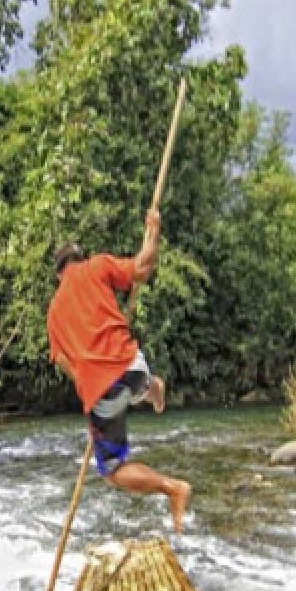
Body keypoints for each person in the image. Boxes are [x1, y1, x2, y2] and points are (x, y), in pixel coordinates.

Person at [46, 209, 192, 534]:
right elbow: (142, 267)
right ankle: (151, 386)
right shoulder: (97, 266)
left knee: (112, 469)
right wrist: (153, 231)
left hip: (103, 391)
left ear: (59, 273)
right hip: (132, 364)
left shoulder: (54, 310)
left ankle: (172, 488)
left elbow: (63, 363)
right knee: (132, 382)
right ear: (80, 260)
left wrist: (88, 389)